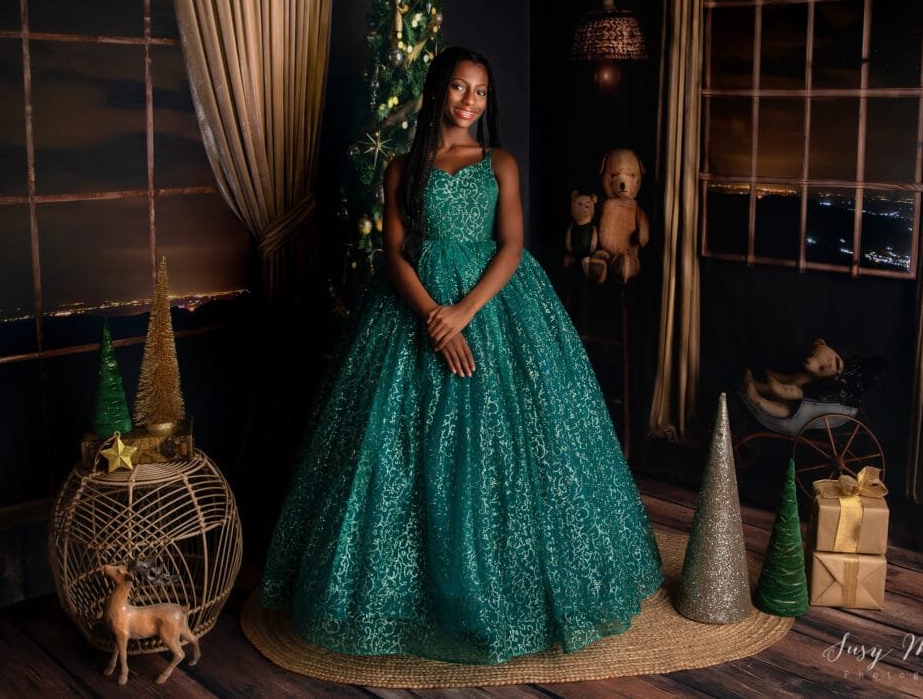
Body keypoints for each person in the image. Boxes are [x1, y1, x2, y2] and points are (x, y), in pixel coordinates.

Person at [259, 46, 663, 665]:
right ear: (437, 94)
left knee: (520, 444)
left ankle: (510, 590)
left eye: (479, 91)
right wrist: (433, 320)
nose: (469, 101)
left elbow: (513, 245)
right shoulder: (402, 169)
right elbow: (393, 255)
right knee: (391, 452)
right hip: (415, 311)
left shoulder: (500, 163)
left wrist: (465, 313)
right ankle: (404, 597)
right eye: (458, 88)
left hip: (494, 306)